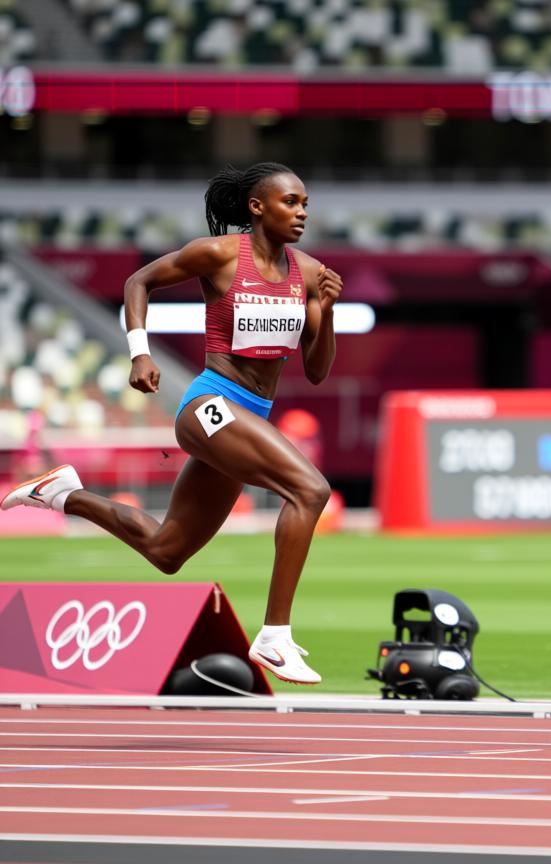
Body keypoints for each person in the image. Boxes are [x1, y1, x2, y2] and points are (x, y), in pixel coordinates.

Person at [1, 162, 342, 685]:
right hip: (209, 405)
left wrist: (327, 310)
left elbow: (317, 372)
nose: (301, 213)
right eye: (290, 202)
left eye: (304, 205)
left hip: (248, 418)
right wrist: (139, 354)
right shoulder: (219, 255)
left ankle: (62, 494)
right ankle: (275, 635)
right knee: (310, 490)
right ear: (257, 207)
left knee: (166, 552)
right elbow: (139, 281)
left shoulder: (311, 274)